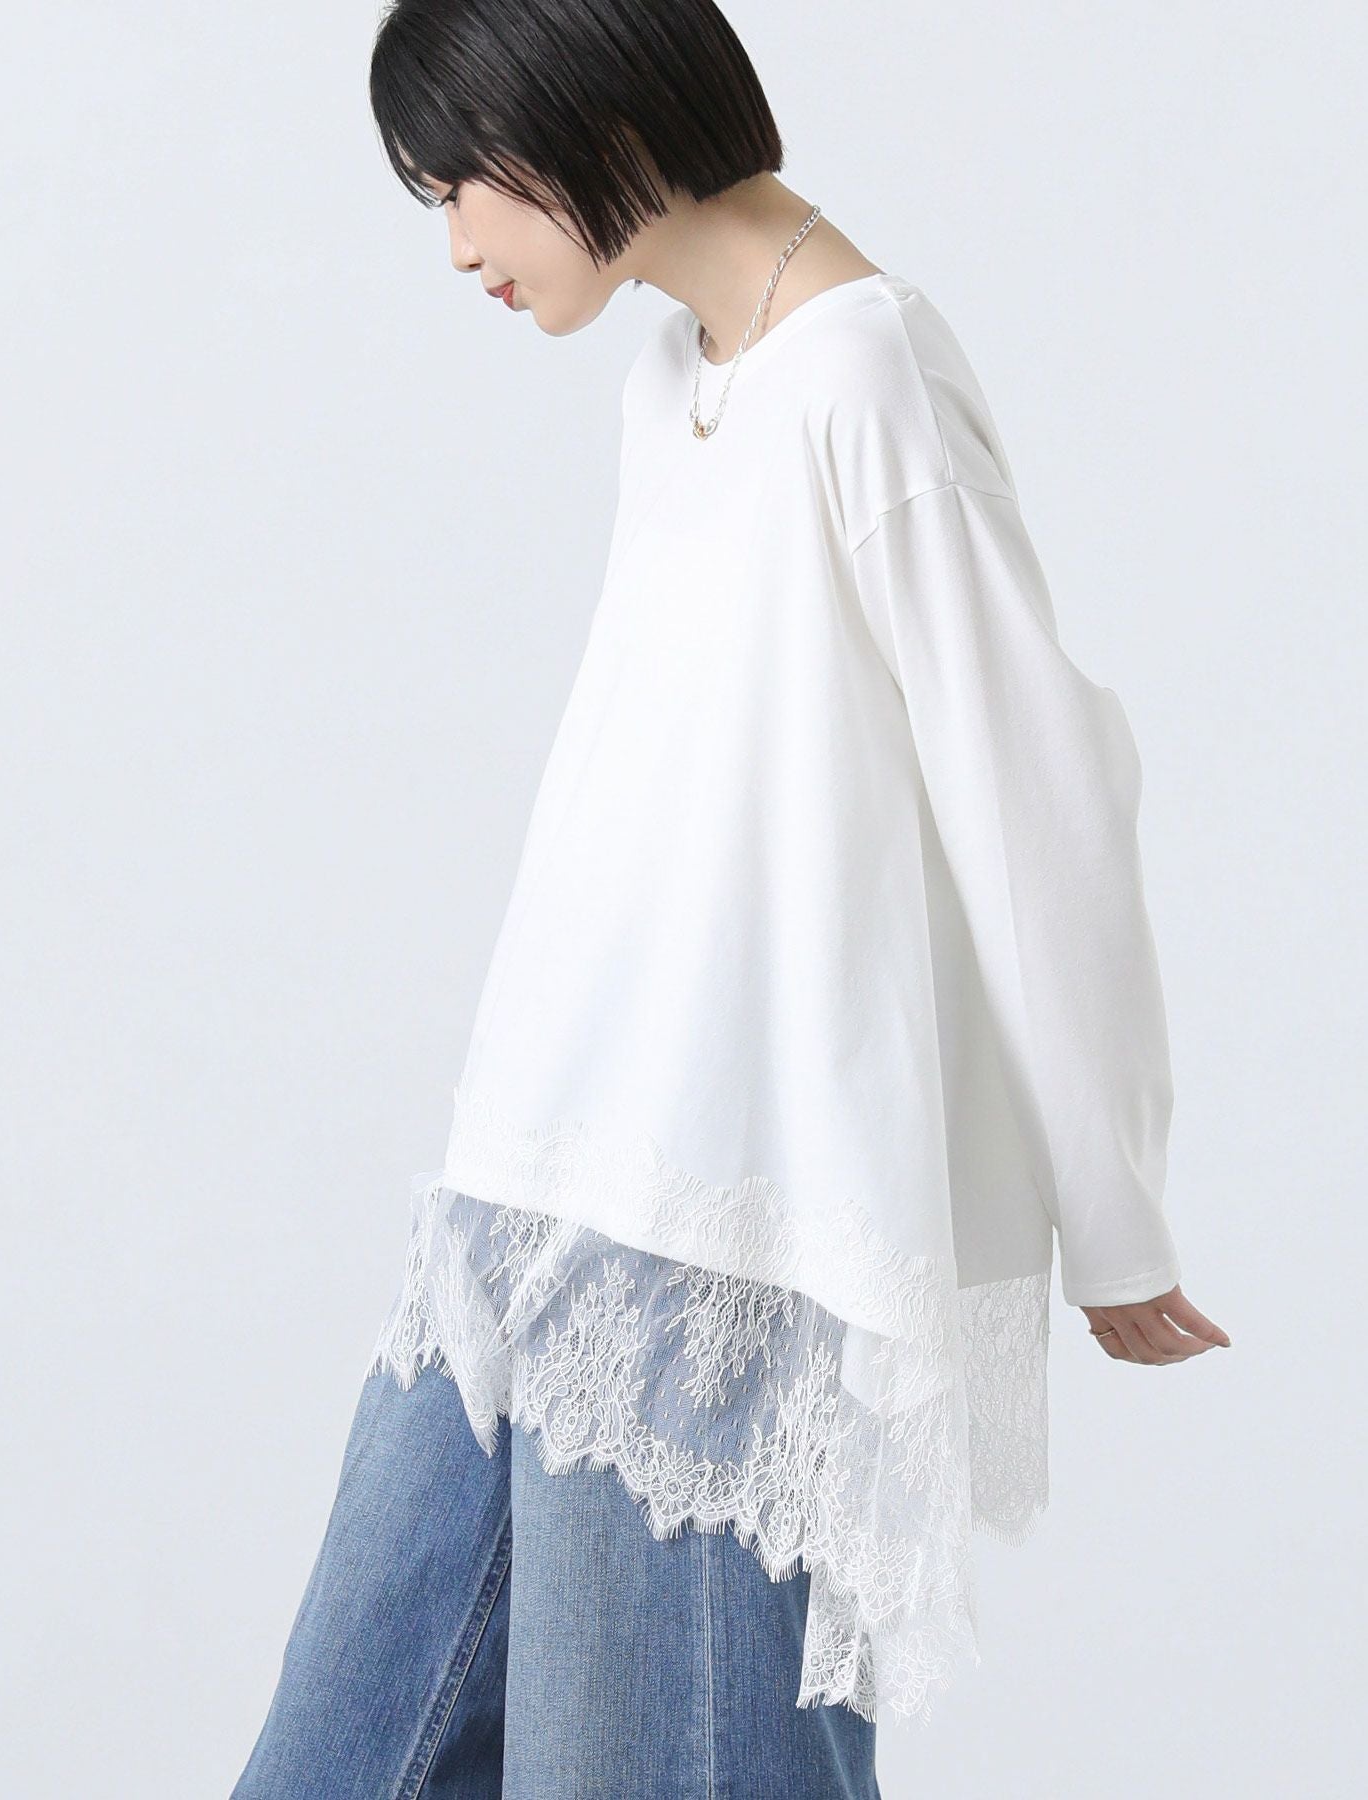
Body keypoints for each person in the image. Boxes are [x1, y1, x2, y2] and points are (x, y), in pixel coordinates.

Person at [233, 1, 1231, 1793]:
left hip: (724, 1233)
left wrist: (1113, 1214)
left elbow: (1039, 804)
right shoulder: (679, 371)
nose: (456, 242)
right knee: (333, 1756)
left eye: (464, 184)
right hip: (528, 1198)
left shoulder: (865, 375)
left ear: (583, 107)